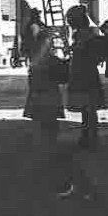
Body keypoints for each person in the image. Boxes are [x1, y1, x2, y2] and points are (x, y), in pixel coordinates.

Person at [22, 11, 71, 195]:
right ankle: (51, 179)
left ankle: (41, 177)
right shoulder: (48, 61)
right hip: (48, 99)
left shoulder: (36, 62)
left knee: (43, 137)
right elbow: (64, 76)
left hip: (37, 100)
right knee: (50, 138)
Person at [66, 5, 108, 150]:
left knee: (88, 106)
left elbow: (90, 54)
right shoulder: (85, 33)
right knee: (88, 106)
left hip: (85, 73)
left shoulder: (87, 34)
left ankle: (90, 136)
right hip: (85, 72)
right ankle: (88, 135)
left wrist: (77, 50)